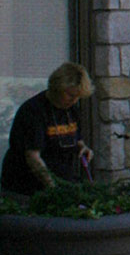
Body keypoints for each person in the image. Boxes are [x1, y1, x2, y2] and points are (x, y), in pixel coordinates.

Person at [0, 64, 94, 196]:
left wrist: (82, 147)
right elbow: (33, 157)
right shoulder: (33, 111)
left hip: (62, 180)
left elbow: (76, 138)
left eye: (78, 96)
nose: (74, 100)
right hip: (27, 185)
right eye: (70, 95)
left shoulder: (72, 110)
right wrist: (53, 188)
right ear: (57, 88)